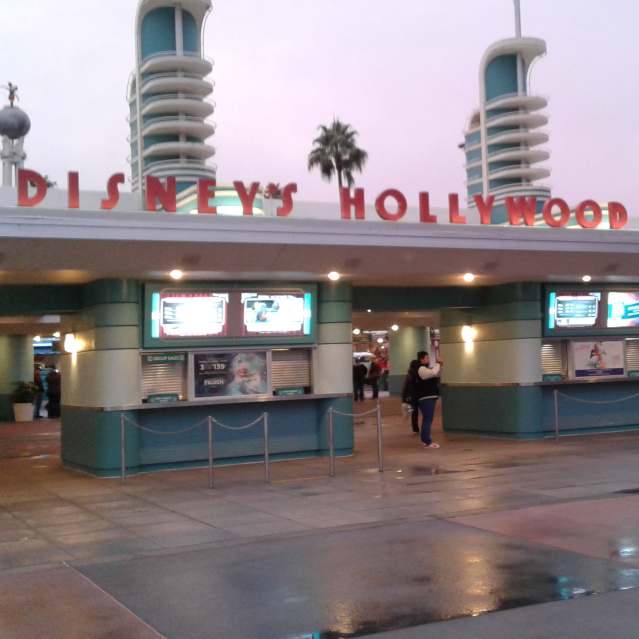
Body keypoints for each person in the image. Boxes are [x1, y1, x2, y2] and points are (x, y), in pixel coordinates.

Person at [413, 350, 443, 449]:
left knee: (427, 419)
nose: (428, 359)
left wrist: (440, 366)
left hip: (429, 397)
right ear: (421, 359)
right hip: (425, 398)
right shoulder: (421, 369)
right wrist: (438, 363)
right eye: (427, 358)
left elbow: (436, 374)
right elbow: (434, 372)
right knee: (427, 419)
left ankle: (426, 440)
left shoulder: (425, 369)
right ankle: (427, 441)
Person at [401, 359, 420, 435]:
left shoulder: (410, 374)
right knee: (415, 412)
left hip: (412, 396)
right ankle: (416, 428)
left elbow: (405, 387)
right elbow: (405, 387)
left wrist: (404, 398)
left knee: (414, 412)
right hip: (415, 395)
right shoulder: (413, 374)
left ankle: (415, 428)